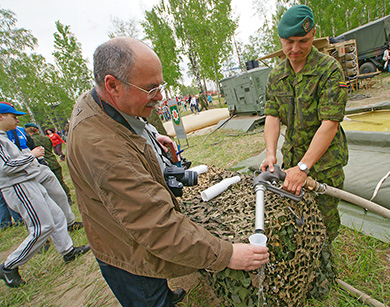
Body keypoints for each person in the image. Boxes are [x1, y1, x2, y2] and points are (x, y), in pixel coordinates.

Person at [66, 36, 269, 306]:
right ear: (112, 85)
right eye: (150, 89)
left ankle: (164, 294)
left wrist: (149, 136)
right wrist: (227, 254)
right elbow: (156, 225)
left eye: (160, 86)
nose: (160, 96)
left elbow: (120, 123)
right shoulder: (104, 151)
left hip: (124, 230)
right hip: (124, 250)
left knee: (155, 282)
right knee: (148, 293)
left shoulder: (101, 102)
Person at [260, 5, 348, 242]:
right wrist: (270, 154)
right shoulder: (276, 75)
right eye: (289, 42)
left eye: (303, 40)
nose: (295, 49)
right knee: (296, 216)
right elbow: (272, 116)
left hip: (324, 164)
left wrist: (303, 168)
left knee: (324, 220)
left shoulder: (329, 70)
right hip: (292, 159)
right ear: (280, 39)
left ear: (313, 35)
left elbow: (330, 123)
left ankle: (326, 265)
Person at [0, 104, 90, 288]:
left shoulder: (5, 138)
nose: (17, 119)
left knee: (57, 216)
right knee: (42, 227)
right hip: (19, 186)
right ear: (1, 117)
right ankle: (9, 266)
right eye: (13, 115)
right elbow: (6, 166)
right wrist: (31, 156)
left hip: (29, 182)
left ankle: (68, 251)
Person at [25, 123, 72, 204]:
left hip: (42, 165)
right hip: (53, 162)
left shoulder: (29, 141)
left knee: (49, 187)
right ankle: (68, 198)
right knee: (61, 182)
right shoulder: (45, 138)